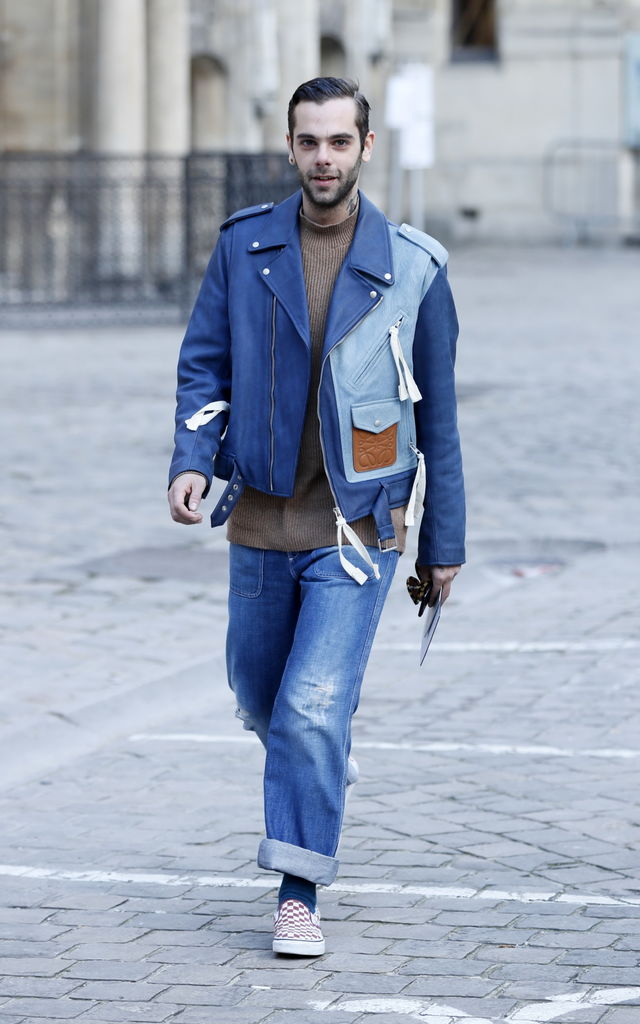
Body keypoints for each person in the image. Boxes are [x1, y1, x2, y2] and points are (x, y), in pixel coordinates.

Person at [168, 77, 465, 957]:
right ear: (291, 146)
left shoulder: (414, 267)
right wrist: (191, 461)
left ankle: (298, 892)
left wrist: (443, 542)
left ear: (365, 146)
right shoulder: (245, 247)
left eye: (339, 142)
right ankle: (320, 754)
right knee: (259, 695)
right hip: (261, 521)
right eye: (309, 142)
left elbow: (441, 419)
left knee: (310, 704)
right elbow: (203, 364)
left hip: (360, 528)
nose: (323, 158)